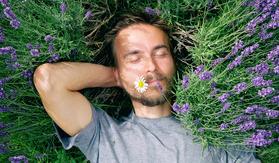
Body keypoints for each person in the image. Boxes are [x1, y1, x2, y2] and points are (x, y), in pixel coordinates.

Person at [33, 12, 261, 163]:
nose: (151, 66)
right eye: (135, 58)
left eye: (160, 54)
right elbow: (49, 79)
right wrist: (116, 77)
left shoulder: (216, 133)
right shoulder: (105, 137)